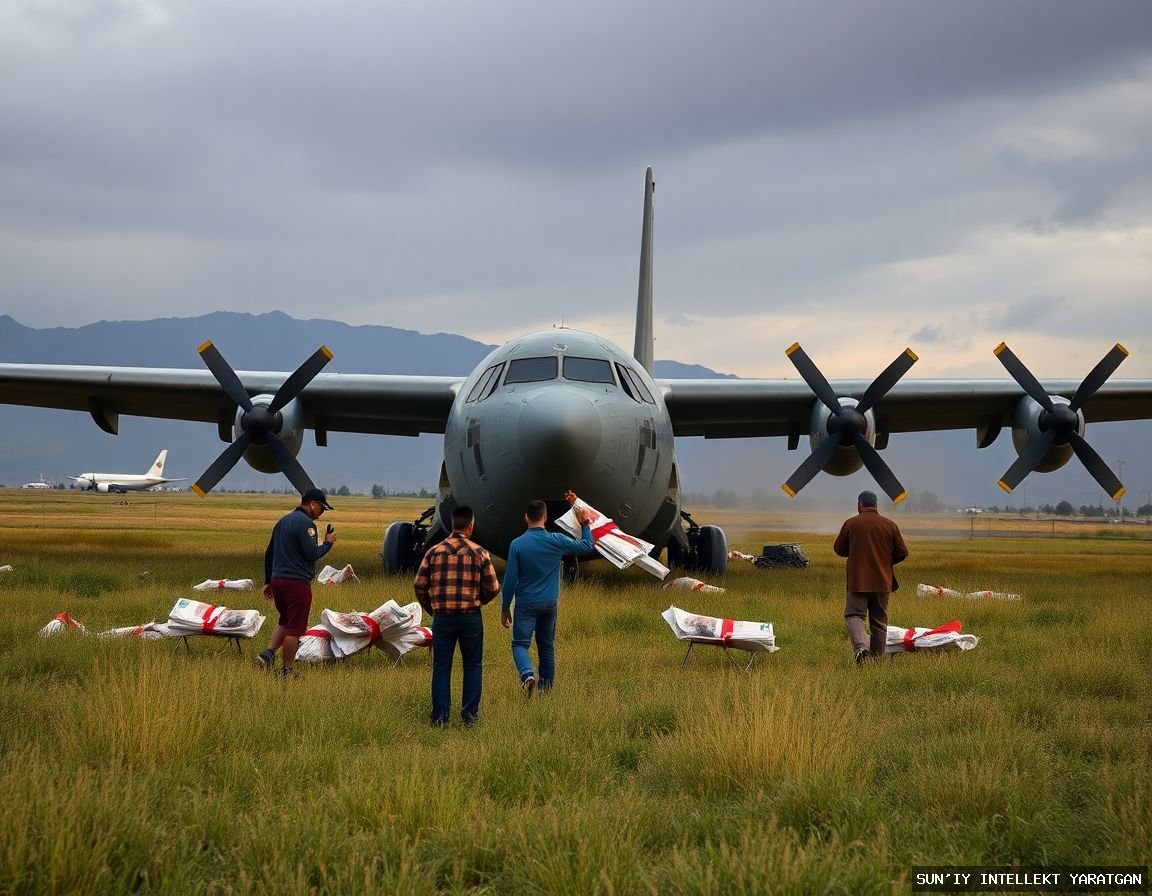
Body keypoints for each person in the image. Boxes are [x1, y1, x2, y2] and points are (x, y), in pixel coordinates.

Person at [413, 506, 501, 726]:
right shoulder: (479, 552)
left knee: (442, 666)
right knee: (472, 666)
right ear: (471, 525)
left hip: (442, 617)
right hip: (470, 617)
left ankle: (440, 718)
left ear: (452, 524)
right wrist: (478, 600)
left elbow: (419, 585)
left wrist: (432, 608)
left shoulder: (434, 552)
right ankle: (470, 717)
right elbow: (493, 587)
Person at [500, 500, 596, 698]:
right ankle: (546, 691)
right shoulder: (556, 540)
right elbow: (587, 545)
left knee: (520, 645)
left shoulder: (517, 545)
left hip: (526, 603)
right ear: (545, 518)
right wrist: (585, 524)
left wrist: (505, 607)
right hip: (549, 603)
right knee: (546, 647)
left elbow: (509, 580)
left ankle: (527, 674)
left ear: (526, 518)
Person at [257, 487, 336, 676]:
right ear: (313, 504)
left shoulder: (283, 521)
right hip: (297, 583)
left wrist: (268, 581)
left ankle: (267, 655)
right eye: (322, 507)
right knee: (295, 628)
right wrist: (328, 543)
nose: (322, 512)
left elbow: (269, 553)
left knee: (285, 621)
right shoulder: (307, 525)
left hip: (278, 581)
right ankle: (287, 670)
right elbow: (311, 554)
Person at [833, 489, 909, 665]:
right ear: (875, 505)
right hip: (882, 581)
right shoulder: (890, 525)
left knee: (854, 615)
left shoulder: (851, 523)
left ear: (860, 505)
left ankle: (861, 648)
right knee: (879, 623)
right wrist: (886, 562)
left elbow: (839, 549)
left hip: (858, 582)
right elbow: (903, 552)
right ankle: (877, 661)